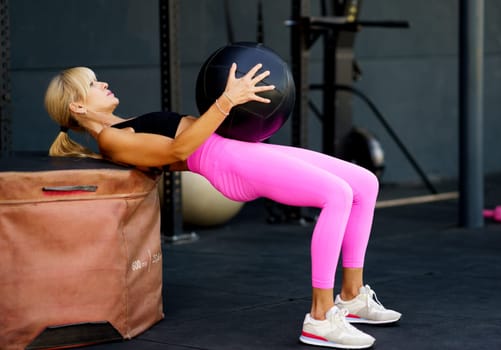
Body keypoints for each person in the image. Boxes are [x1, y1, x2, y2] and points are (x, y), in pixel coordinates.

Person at [44, 63, 401, 349]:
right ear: (78, 105)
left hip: (236, 150)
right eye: (92, 84)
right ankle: (320, 318)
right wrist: (227, 101)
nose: (103, 83)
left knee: (364, 183)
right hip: (226, 165)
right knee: (335, 194)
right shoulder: (111, 139)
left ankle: (352, 297)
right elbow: (177, 151)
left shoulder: (123, 126)